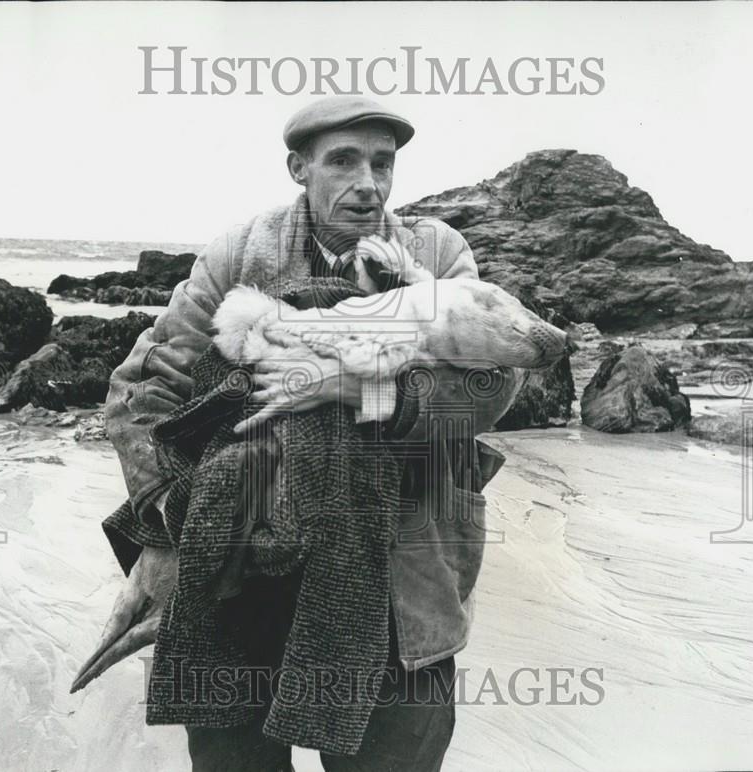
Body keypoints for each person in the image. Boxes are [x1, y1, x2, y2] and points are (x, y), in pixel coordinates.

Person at [86, 96, 524, 771]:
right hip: (243, 567)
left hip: (400, 579)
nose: (368, 184)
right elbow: (142, 393)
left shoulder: (436, 252)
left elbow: (491, 389)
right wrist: (167, 531)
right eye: (343, 161)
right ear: (299, 167)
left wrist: (365, 388)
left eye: (383, 163)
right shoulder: (239, 254)